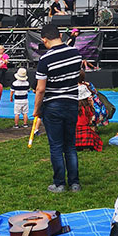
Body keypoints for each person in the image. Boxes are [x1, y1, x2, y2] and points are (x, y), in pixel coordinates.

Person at [33, 23, 83, 193]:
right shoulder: (76, 54)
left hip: (53, 105)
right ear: (60, 35)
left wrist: (37, 110)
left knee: (56, 146)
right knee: (70, 145)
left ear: (44, 40)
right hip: (71, 103)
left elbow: (40, 89)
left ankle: (60, 183)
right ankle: (74, 183)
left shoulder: (45, 59)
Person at [75, 80, 102, 152]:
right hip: (86, 131)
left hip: (74, 132)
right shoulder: (88, 108)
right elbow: (90, 121)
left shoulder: (73, 108)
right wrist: (92, 105)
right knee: (95, 136)